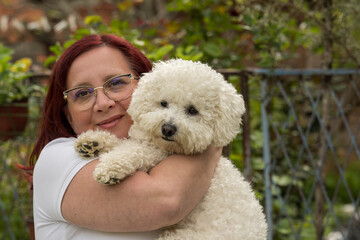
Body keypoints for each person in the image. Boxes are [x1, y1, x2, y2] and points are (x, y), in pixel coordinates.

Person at [29, 34, 222, 240]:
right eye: (82, 94)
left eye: (116, 83)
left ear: (149, 87)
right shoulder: (59, 158)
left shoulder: (167, 152)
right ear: (67, 113)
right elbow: (166, 202)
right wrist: (213, 139)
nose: (103, 103)